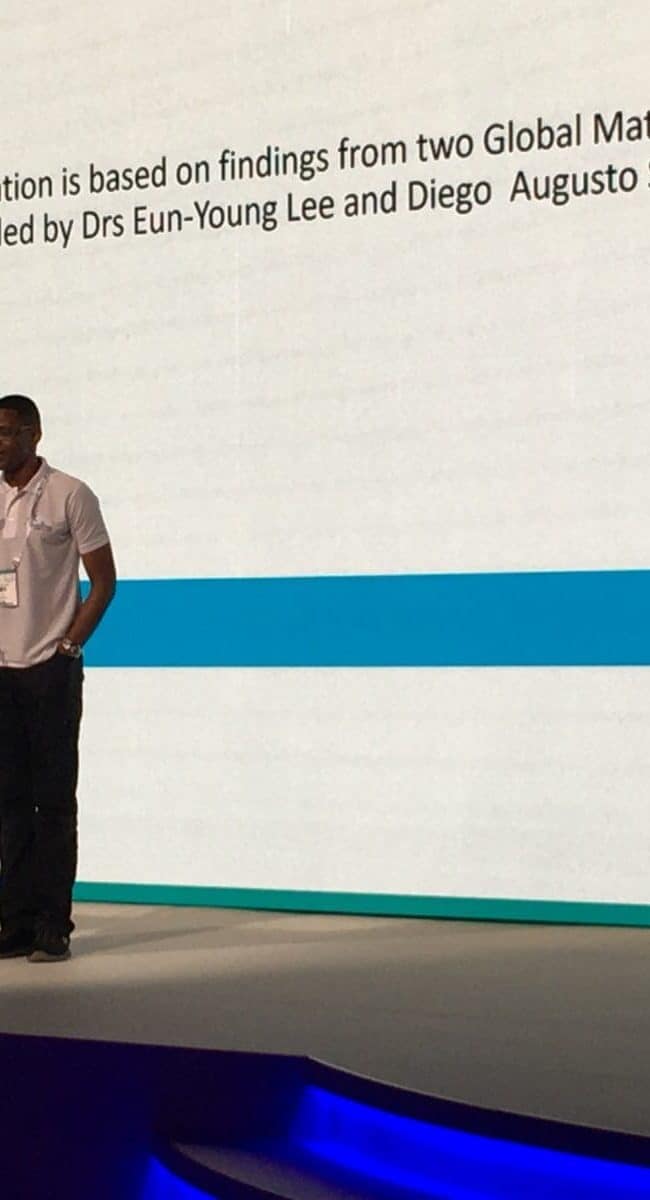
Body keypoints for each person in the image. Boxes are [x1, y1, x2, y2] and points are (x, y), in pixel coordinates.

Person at [0, 394, 115, 962]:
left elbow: (104, 582)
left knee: (53, 804)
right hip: (1, 671)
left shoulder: (71, 494)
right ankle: (15, 923)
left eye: (5, 432)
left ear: (34, 434)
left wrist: (68, 648)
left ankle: (52, 925)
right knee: (9, 805)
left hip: (49, 668)